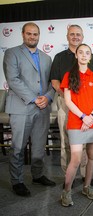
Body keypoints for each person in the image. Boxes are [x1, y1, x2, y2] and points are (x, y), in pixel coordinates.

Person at [3, 22, 56, 197]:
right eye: (29, 34)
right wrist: (35, 99)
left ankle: (37, 175)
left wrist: (47, 97)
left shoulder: (46, 58)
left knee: (39, 147)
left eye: (35, 34)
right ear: (23, 34)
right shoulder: (12, 53)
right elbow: (13, 80)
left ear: (39, 36)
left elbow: (52, 82)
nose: (32, 37)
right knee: (18, 147)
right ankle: (17, 181)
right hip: (21, 107)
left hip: (42, 108)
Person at [50, 24, 93, 186]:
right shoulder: (59, 57)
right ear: (67, 37)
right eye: (72, 34)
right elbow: (55, 80)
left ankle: (86, 175)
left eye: (78, 34)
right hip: (65, 102)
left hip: (86, 106)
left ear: (82, 37)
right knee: (65, 140)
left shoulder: (91, 58)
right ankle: (68, 177)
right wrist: (66, 94)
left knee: (85, 141)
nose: (75, 37)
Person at [60, 43, 93, 206]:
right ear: (76, 56)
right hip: (76, 122)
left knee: (92, 156)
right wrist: (83, 117)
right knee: (76, 158)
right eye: (81, 52)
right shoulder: (68, 75)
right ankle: (66, 191)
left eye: (87, 53)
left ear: (90, 57)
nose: (84, 55)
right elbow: (68, 101)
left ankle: (86, 186)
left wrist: (91, 116)